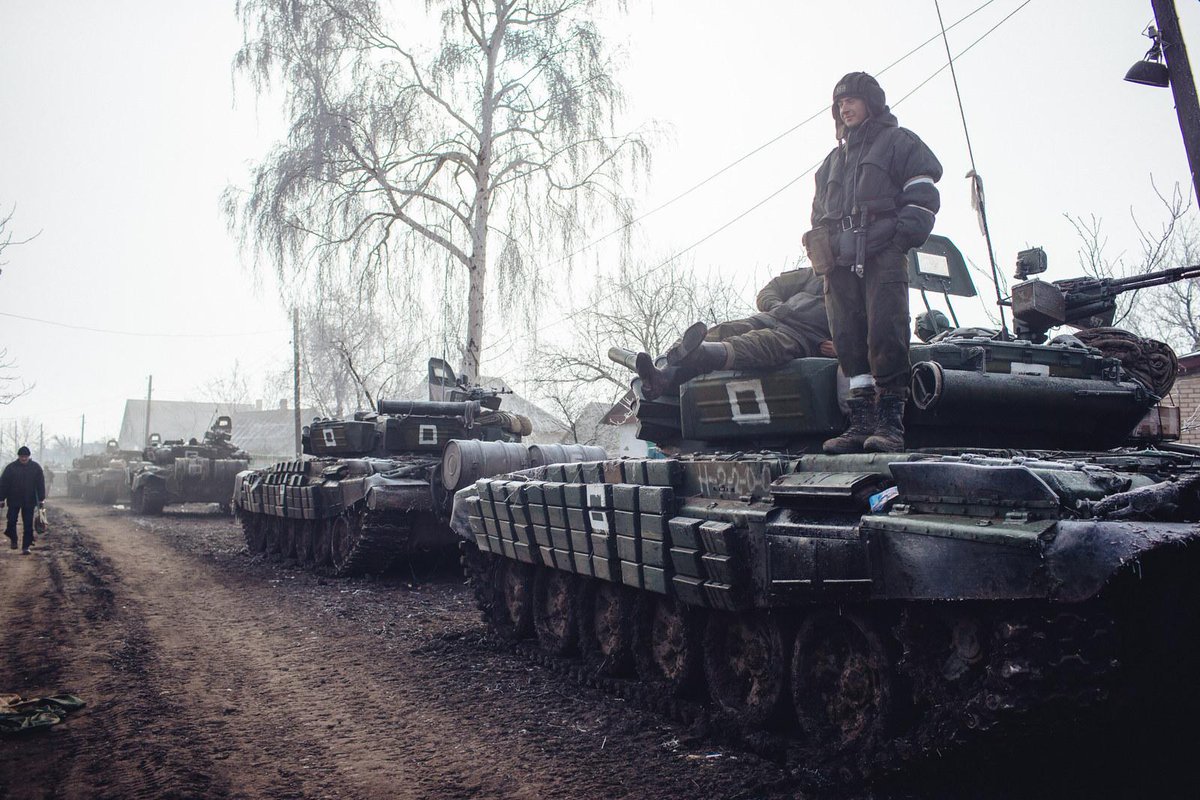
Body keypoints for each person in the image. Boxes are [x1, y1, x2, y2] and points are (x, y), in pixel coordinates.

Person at [805, 72, 942, 453]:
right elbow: (818, 216)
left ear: (872, 102)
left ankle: (890, 424)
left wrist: (898, 240)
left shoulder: (898, 143)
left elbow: (923, 195)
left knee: (886, 332)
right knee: (848, 340)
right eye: (839, 104)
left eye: (852, 100)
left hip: (882, 251)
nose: (845, 108)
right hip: (839, 262)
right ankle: (860, 422)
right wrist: (822, 250)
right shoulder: (831, 163)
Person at [634, 266, 834, 399]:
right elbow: (768, 291)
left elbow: (862, 339)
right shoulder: (813, 274)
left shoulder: (857, 291)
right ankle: (661, 375)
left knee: (760, 343)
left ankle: (699, 354)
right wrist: (777, 306)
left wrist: (840, 348)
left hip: (805, 338)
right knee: (724, 330)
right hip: (773, 317)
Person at [1, 446, 47, 554]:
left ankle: (26, 546)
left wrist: (41, 499)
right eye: (22, 457)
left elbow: (40, 484)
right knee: (11, 521)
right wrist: (1, 498)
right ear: (18, 456)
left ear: (29, 457)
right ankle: (13, 539)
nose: (24, 459)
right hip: (13, 499)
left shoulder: (35, 468)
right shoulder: (11, 468)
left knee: (27, 524)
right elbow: (3, 484)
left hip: (29, 500)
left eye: (25, 457)